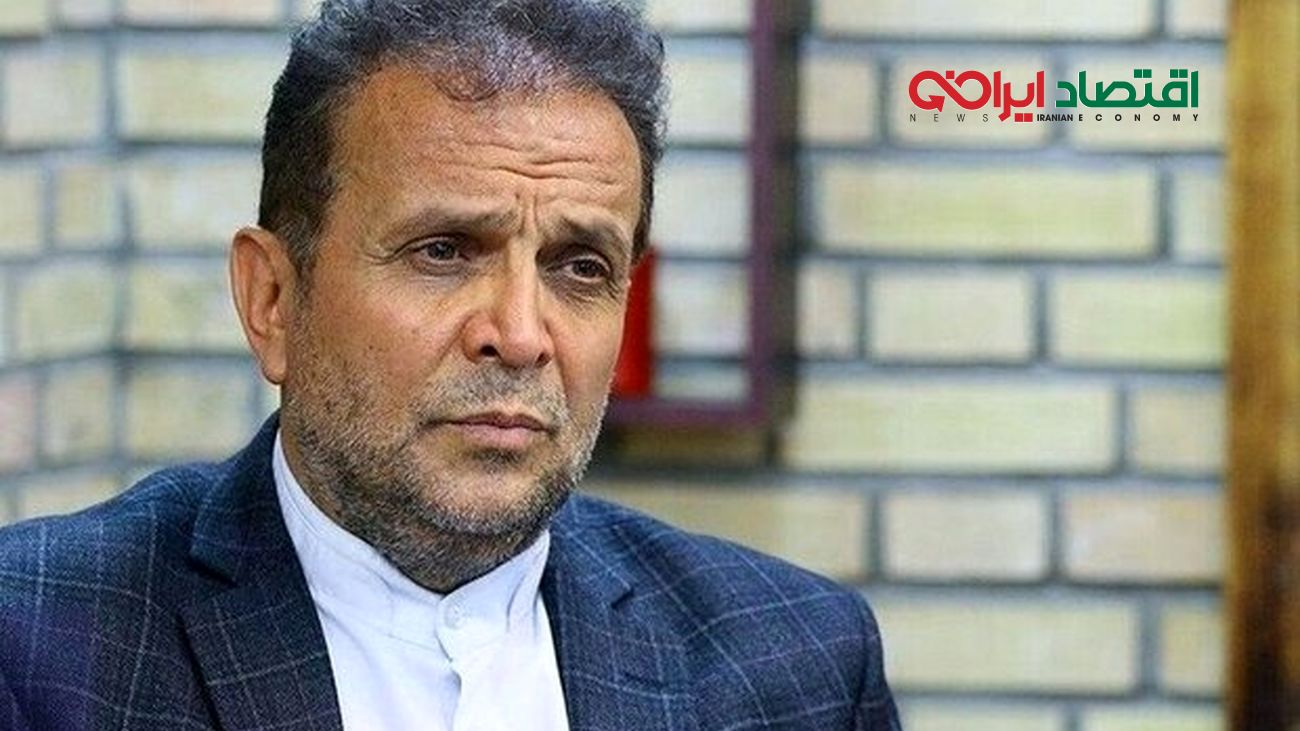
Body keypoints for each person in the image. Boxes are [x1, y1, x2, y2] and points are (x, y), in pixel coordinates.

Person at [0, 1, 900, 728]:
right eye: (443, 251)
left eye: (580, 267)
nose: (520, 334)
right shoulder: (41, 646)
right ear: (272, 298)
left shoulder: (797, 666)